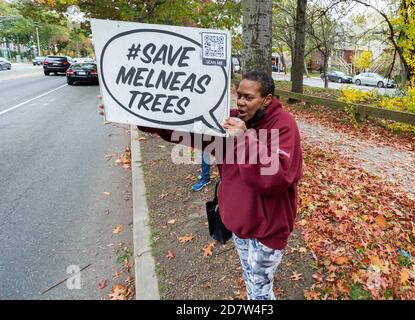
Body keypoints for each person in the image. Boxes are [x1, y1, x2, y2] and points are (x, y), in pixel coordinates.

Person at [99, 71, 303, 300]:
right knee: (250, 278)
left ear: (267, 99)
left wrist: (243, 139)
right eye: (239, 96)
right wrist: (138, 117)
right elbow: (188, 132)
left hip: (267, 230)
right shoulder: (232, 121)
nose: (241, 102)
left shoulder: (281, 124)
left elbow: (275, 177)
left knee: (261, 290)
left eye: (249, 97)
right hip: (239, 224)